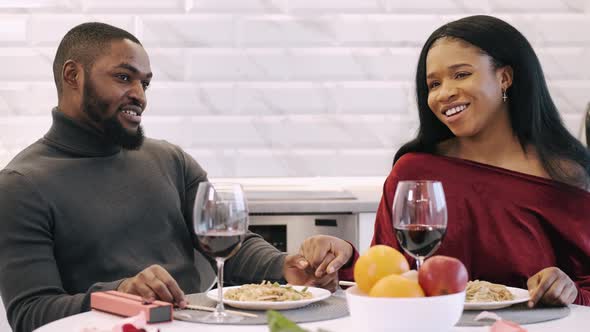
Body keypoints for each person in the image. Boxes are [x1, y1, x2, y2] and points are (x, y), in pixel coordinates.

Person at [0, 23, 353, 332]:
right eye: (124, 77)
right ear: (73, 76)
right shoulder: (20, 185)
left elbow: (234, 245)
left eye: (145, 84)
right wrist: (120, 294)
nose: (139, 95)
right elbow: (32, 315)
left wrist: (287, 268)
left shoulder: (169, 158)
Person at [369, 15, 590, 307]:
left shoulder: (565, 176)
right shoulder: (414, 172)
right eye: (433, 84)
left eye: (460, 74)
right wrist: (338, 258)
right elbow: (381, 279)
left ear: (505, 77)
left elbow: (584, 285)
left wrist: (567, 288)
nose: (444, 93)